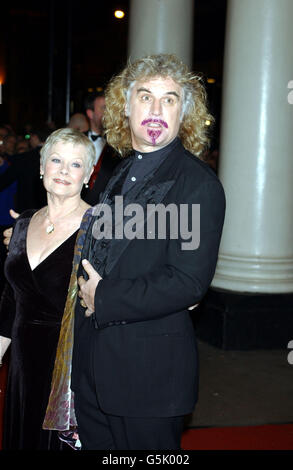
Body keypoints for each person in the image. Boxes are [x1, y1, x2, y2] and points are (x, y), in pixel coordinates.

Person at [71, 53, 226, 450]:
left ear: (182, 114)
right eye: (146, 97)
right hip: (94, 365)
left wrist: (102, 296)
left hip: (148, 377)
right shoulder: (121, 170)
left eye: (170, 99)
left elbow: (188, 281)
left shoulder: (197, 184)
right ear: (127, 107)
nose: (157, 110)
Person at [0, 128, 95, 450]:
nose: (64, 171)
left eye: (75, 164)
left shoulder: (100, 229)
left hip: (71, 370)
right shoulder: (23, 225)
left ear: (88, 175)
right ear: (42, 167)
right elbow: (12, 300)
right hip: (22, 367)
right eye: (56, 160)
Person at [82, 92, 121, 205]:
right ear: (90, 113)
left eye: (111, 108)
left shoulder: (120, 146)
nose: (109, 113)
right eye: (104, 108)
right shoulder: (76, 140)